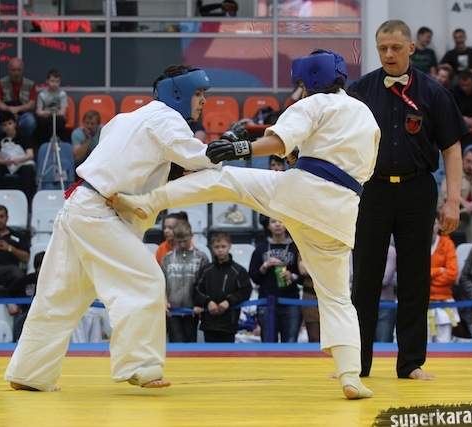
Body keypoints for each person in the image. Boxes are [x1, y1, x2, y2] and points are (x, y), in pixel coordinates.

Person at [110, 49, 380, 399]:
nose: (300, 90)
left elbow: (277, 142)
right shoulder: (365, 115)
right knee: (337, 296)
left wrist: (241, 148)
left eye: (301, 84)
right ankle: (350, 376)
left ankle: (147, 203)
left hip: (303, 193)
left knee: (225, 180)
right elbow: (356, 168)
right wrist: (303, 157)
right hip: (342, 212)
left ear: (312, 80)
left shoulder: (314, 104)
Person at [5, 63, 220, 391]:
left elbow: (137, 163)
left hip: (80, 205)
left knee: (59, 295)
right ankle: (140, 365)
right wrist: (235, 147)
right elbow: (200, 158)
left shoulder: (125, 119)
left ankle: (28, 373)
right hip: (101, 213)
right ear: (179, 92)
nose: (203, 101)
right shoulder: (167, 119)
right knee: (146, 280)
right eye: (199, 93)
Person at [348, 20, 467, 381]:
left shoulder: (434, 92)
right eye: (383, 48)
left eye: (396, 47)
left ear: (411, 48)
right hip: (372, 190)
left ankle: (411, 363)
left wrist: (453, 201)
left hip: (418, 190)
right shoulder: (359, 91)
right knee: (365, 279)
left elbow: (452, 148)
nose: (389, 54)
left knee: (415, 279)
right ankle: (357, 363)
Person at [193, 231, 252, 342]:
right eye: (217, 247)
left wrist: (229, 301)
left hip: (229, 322)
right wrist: (208, 302)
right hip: (209, 322)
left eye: (223, 246)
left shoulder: (239, 271)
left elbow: (245, 291)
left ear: (230, 246)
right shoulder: (206, 270)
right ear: (212, 248)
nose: (220, 250)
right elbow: (196, 290)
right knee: (210, 352)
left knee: (228, 353)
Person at [249, 218, 301, 343]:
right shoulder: (260, 248)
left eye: (281, 221)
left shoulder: (295, 247)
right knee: (268, 344)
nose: (277, 224)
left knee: (290, 344)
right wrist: (264, 266)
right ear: (268, 226)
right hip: (266, 302)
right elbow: (254, 277)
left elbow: (303, 276)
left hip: (291, 301)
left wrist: (292, 276)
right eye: (273, 222)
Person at [162, 219, 210, 342]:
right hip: (173, 310)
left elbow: (205, 284)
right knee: (176, 345)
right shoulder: (167, 258)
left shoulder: (201, 258)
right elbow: (162, 283)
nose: (182, 244)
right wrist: (164, 301)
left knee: (190, 345)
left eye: (185, 241)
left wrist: (200, 303)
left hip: (192, 310)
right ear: (174, 238)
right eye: (179, 241)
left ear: (191, 236)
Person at [0, 111, 36, 203]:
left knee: (28, 170)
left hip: (21, 162)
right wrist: (5, 162)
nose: (8, 127)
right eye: (4, 125)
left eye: (10, 123)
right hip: (6, 163)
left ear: (15, 123)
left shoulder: (24, 136)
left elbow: (30, 155)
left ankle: (27, 201)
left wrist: (19, 160)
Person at [428, 217, 459, 343]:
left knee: (444, 345)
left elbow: (452, 274)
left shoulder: (447, 244)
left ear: (440, 226)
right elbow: (412, 275)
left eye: (434, 223)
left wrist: (427, 278)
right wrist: (438, 270)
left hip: (444, 301)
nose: (430, 226)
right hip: (419, 302)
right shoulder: (414, 243)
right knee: (419, 345)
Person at [0, 57, 37, 142]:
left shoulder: (30, 84)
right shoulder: (0, 83)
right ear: (9, 70)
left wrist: (17, 109)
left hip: (23, 114)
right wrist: (9, 109)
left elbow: (32, 104)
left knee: (30, 121)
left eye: (18, 70)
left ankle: (22, 142)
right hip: (5, 113)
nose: (16, 72)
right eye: (13, 70)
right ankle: (3, 143)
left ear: (22, 70)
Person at [8, 251, 44, 342]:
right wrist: (11, 304)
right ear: (36, 267)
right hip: (27, 314)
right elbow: (11, 293)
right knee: (22, 320)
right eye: (41, 266)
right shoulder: (27, 280)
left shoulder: (56, 282)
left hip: (48, 315)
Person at [34, 68, 68, 148]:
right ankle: (43, 145)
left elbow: (62, 112)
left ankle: (60, 144)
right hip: (46, 117)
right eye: (53, 81)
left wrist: (51, 113)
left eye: (57, 81)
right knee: (42, 122)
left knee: (60, 121)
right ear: (47, 81)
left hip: (57, 116)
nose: (55, 84)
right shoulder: (42, 95)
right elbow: (38, 111)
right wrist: (45, 113)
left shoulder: (62, 94)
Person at [375, 239, 397, 342]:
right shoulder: (357, 247)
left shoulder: (391, 251)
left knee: (384, 341)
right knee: (361, 342)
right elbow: (351, 275)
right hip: (363, 302)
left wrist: (362, 279)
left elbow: (385, 280)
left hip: (385, 303)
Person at [297, 252, 320, 342]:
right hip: (310, 295)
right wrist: (324, 267)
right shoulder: (305, 249)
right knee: (314, 336)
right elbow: (303, 270)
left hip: (331, 297)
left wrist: (311, 266)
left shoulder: (333, 247)